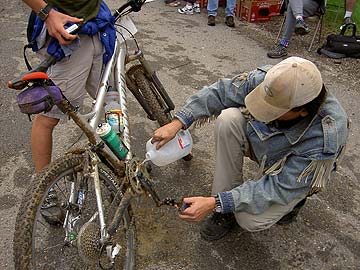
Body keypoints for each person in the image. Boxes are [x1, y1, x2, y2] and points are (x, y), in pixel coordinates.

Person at [151, 57, 349, 241]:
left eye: (275, 110)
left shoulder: (325, 137)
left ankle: (296, 199)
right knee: (228, 119)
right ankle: (224, 209)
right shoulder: (274, 82)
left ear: (303, 110)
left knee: (248, 219)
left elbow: (277, 188)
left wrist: (213, 203)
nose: (265, 111)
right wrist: (177, 123)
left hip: (292, 172)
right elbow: (221, 92)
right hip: (264, 143)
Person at [22, 0, 115, 223]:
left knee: (110, 99)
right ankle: (44, 189)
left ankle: (119, 168)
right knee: (48, 117)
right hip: (65, 34)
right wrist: (46, 13)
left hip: (97, 25)